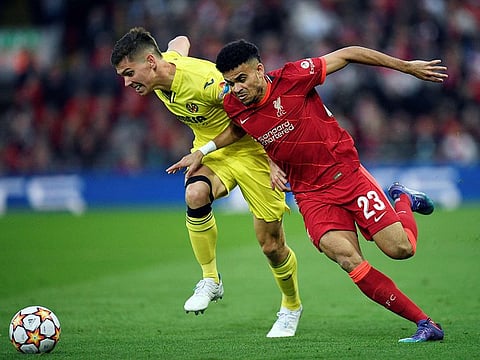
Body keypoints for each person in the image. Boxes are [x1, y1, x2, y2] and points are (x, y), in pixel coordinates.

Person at [167, 40, 448, 343]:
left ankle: (402, 199)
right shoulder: (235, 104)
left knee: (400, 250)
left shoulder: (294, 77)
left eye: (242, 79)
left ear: (259, 70)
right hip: (310, 194)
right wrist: (211, 151)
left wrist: (406, 67)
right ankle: (425, 322)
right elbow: (243, 129)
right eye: (230, 83)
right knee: (348, 259)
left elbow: (349, 53)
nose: (236, 89)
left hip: (346, 175)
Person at [110, 28, 302, 337]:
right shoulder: (162, 70)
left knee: (271, 246)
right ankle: (211, 279)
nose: (127, 82)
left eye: (130, 73)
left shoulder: (208, 84)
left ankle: (291, 306)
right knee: (195, 194)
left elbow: (254, 113)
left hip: (253, 148)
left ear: (150, 62)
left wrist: (272, 159)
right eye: (123, 75)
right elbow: (179, 44)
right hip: (214, 153)